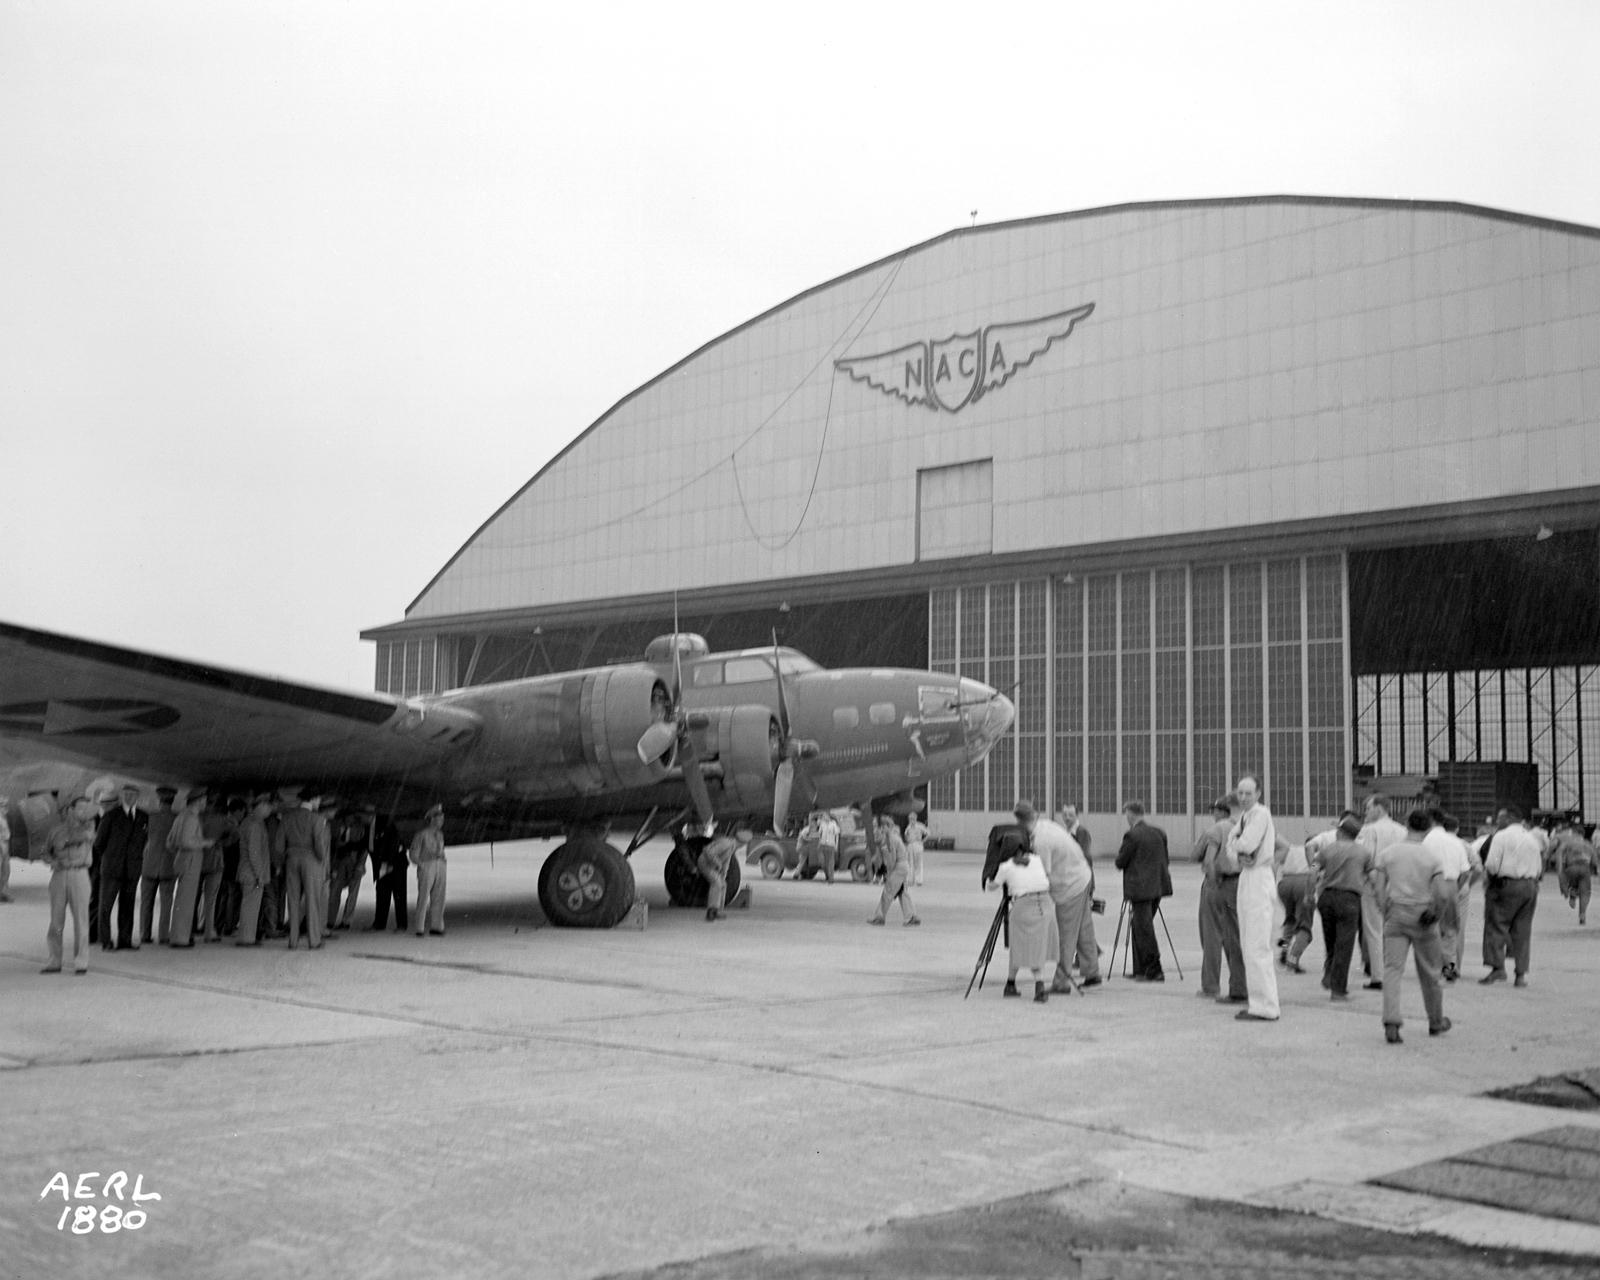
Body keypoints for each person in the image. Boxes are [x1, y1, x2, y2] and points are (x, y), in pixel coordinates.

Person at [1374, 808, 1454, 1043]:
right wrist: (1436, 914)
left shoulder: (1388, 854)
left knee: (1392, 970)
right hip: (1423, 915)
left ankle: (1391, 1021)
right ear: (1429, 828)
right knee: (1430, 971)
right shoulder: (1431, 857)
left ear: (1406, 824)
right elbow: (1442, 894)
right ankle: (1436, 1022)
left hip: (1396, 914)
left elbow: (1378, 888)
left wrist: (1384, 909)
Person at [1018, 801, 1097, 990]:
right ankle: (1092, 971)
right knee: (1083, 930)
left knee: (1066, 936)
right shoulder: (1045, 825)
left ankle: (1061, 982)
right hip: (1082, 877)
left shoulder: (1040, 841)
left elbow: (1043, 875)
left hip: (1070, 887)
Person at [1225, 776, 1279, 1021]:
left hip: (1259, 877)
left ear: (1258, 794)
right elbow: (1231, 847)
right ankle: (1257, 1002)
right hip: (1247, 875)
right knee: (1248, 943)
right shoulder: (1245, 817)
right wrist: (1237, 852)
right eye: (1240, 793)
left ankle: (1266, 1006)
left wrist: (1236, 846)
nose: (1243, 797)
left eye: (1248, 793)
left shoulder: (1260, 815)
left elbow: (1245, 843)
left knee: (1257, 945)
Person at [985, 839, 1058, 1002]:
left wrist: (992, 871)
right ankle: (1011, 984)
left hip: (1023, 906)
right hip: (1046, 904)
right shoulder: (1036, 860)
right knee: (1032, 947)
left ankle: (1037, 986)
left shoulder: (1006, 867)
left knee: (1023, 946)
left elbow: (991, 887)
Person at [1480, 804, 1543, 986]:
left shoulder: (1501, 836)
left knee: (1496, 925)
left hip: (1506, 885)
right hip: (1530, 886)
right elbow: (1539, 867)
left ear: (1508, 818)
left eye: (1499, 817)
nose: (1497, 821)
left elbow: (1492, 864)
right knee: (1523, 930)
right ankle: (1521, 974)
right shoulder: (1531, 838)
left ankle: (1497, 969)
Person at [1192, 797, 1247, 1004]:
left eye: (1214, 810)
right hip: (1238, 884)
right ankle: (1239, 985)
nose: (1212, 814)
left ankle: (1210, 986)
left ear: (1223, 811)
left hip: (1217, 883)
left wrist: (1213, 880)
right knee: (1235, 936)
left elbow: (1199, 856)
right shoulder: (1244, 827)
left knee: (1211, 935)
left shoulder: (1216, 829)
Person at [1311, 815, 1372, 999]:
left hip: (1326, 898)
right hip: (1349, 899)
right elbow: (1373, 875)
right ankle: (1337, 990)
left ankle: (1329, 973)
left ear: (1340, 832)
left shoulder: (1326, 849)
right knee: (1344, 944)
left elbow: (1313, 870)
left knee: (1330, 940)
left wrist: (1308, 894)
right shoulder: (1364, 852)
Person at [1114, 801, 1171, 982]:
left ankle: (1154, 968)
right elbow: (1165, 859)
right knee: (1140, 926)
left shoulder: (1132, 835)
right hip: (1158, 886)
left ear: (1130, 815)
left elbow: (1120, 862)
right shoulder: (1159, 832)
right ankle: (1141, 968)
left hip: (1140, 890)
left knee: (1143, 928)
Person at [42, 795, 97, 974]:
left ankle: (81, 961)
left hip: (79, 873)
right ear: (70, 810)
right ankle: (54, 960)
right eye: (79, 808)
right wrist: (52, 861)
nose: (83, 811)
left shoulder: (89, 826)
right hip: (59, 874)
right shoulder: (55, 830)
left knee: (81, 920)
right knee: (56, 920)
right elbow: (45, 853)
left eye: (86, 808)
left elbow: (82, 837)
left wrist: (63, 842)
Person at [1357, 795, 1408, 990]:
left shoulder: (1369, 830)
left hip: (1374, 884)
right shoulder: (1402, 830)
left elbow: (1366, 858)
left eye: (1369, 808)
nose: (1366, 812)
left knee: (1374, 930)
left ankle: (1378, 975)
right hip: (1398, 885)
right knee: (1394, 930)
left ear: (1379, 809)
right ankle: (1394, 971)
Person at [93, 783, 147, 951]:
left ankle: (125, 940)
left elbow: (142, 842)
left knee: (128, 906)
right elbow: (99, 843)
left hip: (131, 869)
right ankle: (106, 941)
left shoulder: (143, 817)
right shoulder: (110, 816)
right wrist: (110, 858)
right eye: (126, 794)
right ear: (122, 796)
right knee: (106, 906)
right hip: (112, 869)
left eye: (132, 794)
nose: (128, 797)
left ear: (137, 797)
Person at [1422, 810, 1472, 982]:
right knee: (1451, 928)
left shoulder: (1426, 840)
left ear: (1430, 820)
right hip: (1452, 884)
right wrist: (1455, 888)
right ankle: (1449, 965)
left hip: (1433, 884)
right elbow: (1466, 871)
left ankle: (1433, 965)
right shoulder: (1455, 842)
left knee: (1431, 925)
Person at [276, 790, 325, 950]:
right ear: (314, 798)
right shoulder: (317, 818)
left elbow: (278, 846)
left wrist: (286, 858)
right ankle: (314, 940)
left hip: (291, 859)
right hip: (311, 859)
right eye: (319, 799)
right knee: (312, 900)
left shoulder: (287, 817)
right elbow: (319, 844)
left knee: (293, 899)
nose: (319, 802)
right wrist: (321, 858)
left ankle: (293, 940)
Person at [166, 789, 215, 948]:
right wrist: (205, 843)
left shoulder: (180, 816)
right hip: (191, 860)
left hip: (182, 859)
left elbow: (170, 842)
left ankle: (180, 935)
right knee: (186, 901)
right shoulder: (191, 818)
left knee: (182, 900)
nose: (205, 803)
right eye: (204, 800)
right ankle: (180, 939)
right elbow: (187, 842)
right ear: (199, 801)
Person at [138, 785, 180, 945]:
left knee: (146, 902)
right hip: (169, 866)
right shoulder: (177, 818)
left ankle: (144, 934)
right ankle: (163, 935)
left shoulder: (151, 817)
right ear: (172, 801)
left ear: (159, 800)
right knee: (166, 903)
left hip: (149, 865)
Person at [234, 794, 274, 946]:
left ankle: (248, 937)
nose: (271, 810)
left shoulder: (250, 822)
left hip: (248, 872)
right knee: (250, 907)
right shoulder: (255, 825)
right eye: (269, 806)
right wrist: (259, 874)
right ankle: (246, 938)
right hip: (252, 873)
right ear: (262, 805)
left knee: (250, 906)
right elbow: (254, 853)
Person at [869, 816, 920, 926]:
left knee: (888, 892)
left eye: (884, 827)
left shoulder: (890, 839)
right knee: (902, 892)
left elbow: (891, 858)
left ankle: (880, 917)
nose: (882, 829)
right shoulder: (894, 837)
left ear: (889, 827)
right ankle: (911, 916)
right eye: (881, 827)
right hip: (903, 866)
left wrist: (889, 874)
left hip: (898, 867)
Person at [196, 798, 234, 943]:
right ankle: (208, 931)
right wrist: (222, 843)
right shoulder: (224, 821)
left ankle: (190, 929)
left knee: (193, 897)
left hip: (198, 860)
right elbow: (233, 837)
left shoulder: (199, 818)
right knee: (210, 899)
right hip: (215, 862)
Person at [1275, 835, 1315, 973]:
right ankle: (1293, 960)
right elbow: (1315, 870)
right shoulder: (1314, 853)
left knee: (1290, 919)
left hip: (1284, 884)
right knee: (1304, 924)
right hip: (1303, 883)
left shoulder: (1292, 848)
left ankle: (1285, 948)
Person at [410, 803, 447, 936]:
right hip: (427, 865)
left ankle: (437, 926)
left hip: (440, 865)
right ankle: (419, 927)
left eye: (442, 818)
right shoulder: (422, 834)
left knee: (439, 897)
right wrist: (421, 865)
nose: (441, 821)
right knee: (424, 897)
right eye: (439, 818)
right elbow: (413, 853)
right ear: (431, 819)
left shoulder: (440, 834)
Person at [1552, 819, 1598, 925]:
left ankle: (1572, 892)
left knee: (1570, 880)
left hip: (1571, 867)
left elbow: (1560, 851)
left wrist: (1559, 866)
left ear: (1574, 832)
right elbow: (1595, 862)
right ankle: (1582, 914)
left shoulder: (1568, 842)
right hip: (1585, 868)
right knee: (1585, 892)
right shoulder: (1588, 844)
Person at [368, 811, 408, 932]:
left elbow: (394, 844)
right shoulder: (369, 827)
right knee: (381, 894)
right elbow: (371, 848)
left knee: (399, 895)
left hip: (396, 864)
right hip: (382, 866)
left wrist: (390, 864)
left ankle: (401, 925)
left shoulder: (386, 823)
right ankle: (379, 923)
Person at [327, 810, 367, 930]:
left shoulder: (359, 828)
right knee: (334, 891)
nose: (350, 821)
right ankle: (330, 921)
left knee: (353, 893)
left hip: (354, 862)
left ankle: (347, 921)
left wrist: (360, 865)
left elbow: (364, 849)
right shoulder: (334, 826)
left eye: (352, 818)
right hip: (339, 862)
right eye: (347, 818)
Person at [215, 794, 244, 937]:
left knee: (224, 896)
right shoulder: (233, 826)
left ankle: (220, 925)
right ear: (238, 811)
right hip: (231, 865)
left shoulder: (224, 822)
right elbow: (228, 844)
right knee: (233, 896)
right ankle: (229, 926)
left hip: (223, 865)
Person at [697, 830, 737, 921]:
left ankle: (718, 910)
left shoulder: (732, 847)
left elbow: (726, 861)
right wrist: (718, 863)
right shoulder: (726, 844)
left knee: (723, 884)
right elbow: (708, 852)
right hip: (704, 862)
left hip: (711, 864)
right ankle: (711, 911)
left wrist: (724, 874)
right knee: (716, 882)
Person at [815, 810, 840, 884]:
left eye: (825, 816)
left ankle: (831, 879)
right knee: (822, 862)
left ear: (828, 816)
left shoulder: (833, 824)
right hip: (822, 844)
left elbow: (837, 835)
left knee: (830, 863)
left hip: (830, 844)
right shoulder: (822, 824)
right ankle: (827, 875)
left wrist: (836, 845)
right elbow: (820, 833)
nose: (824, 818)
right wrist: (819, 842)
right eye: (823, 817)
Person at [904, 813, 929, 887]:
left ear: (915, 819)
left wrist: (922, 841)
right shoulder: (908, 827)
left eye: (913, 818)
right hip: (911, 845)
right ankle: (910, 879)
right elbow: (906, 835)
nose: (911, 820)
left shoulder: (920, 826)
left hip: (918, 844)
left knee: (919, 863)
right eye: (910, 819)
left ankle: (919, 880)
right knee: (910, 863)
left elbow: (928, 833)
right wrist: (907, 840)